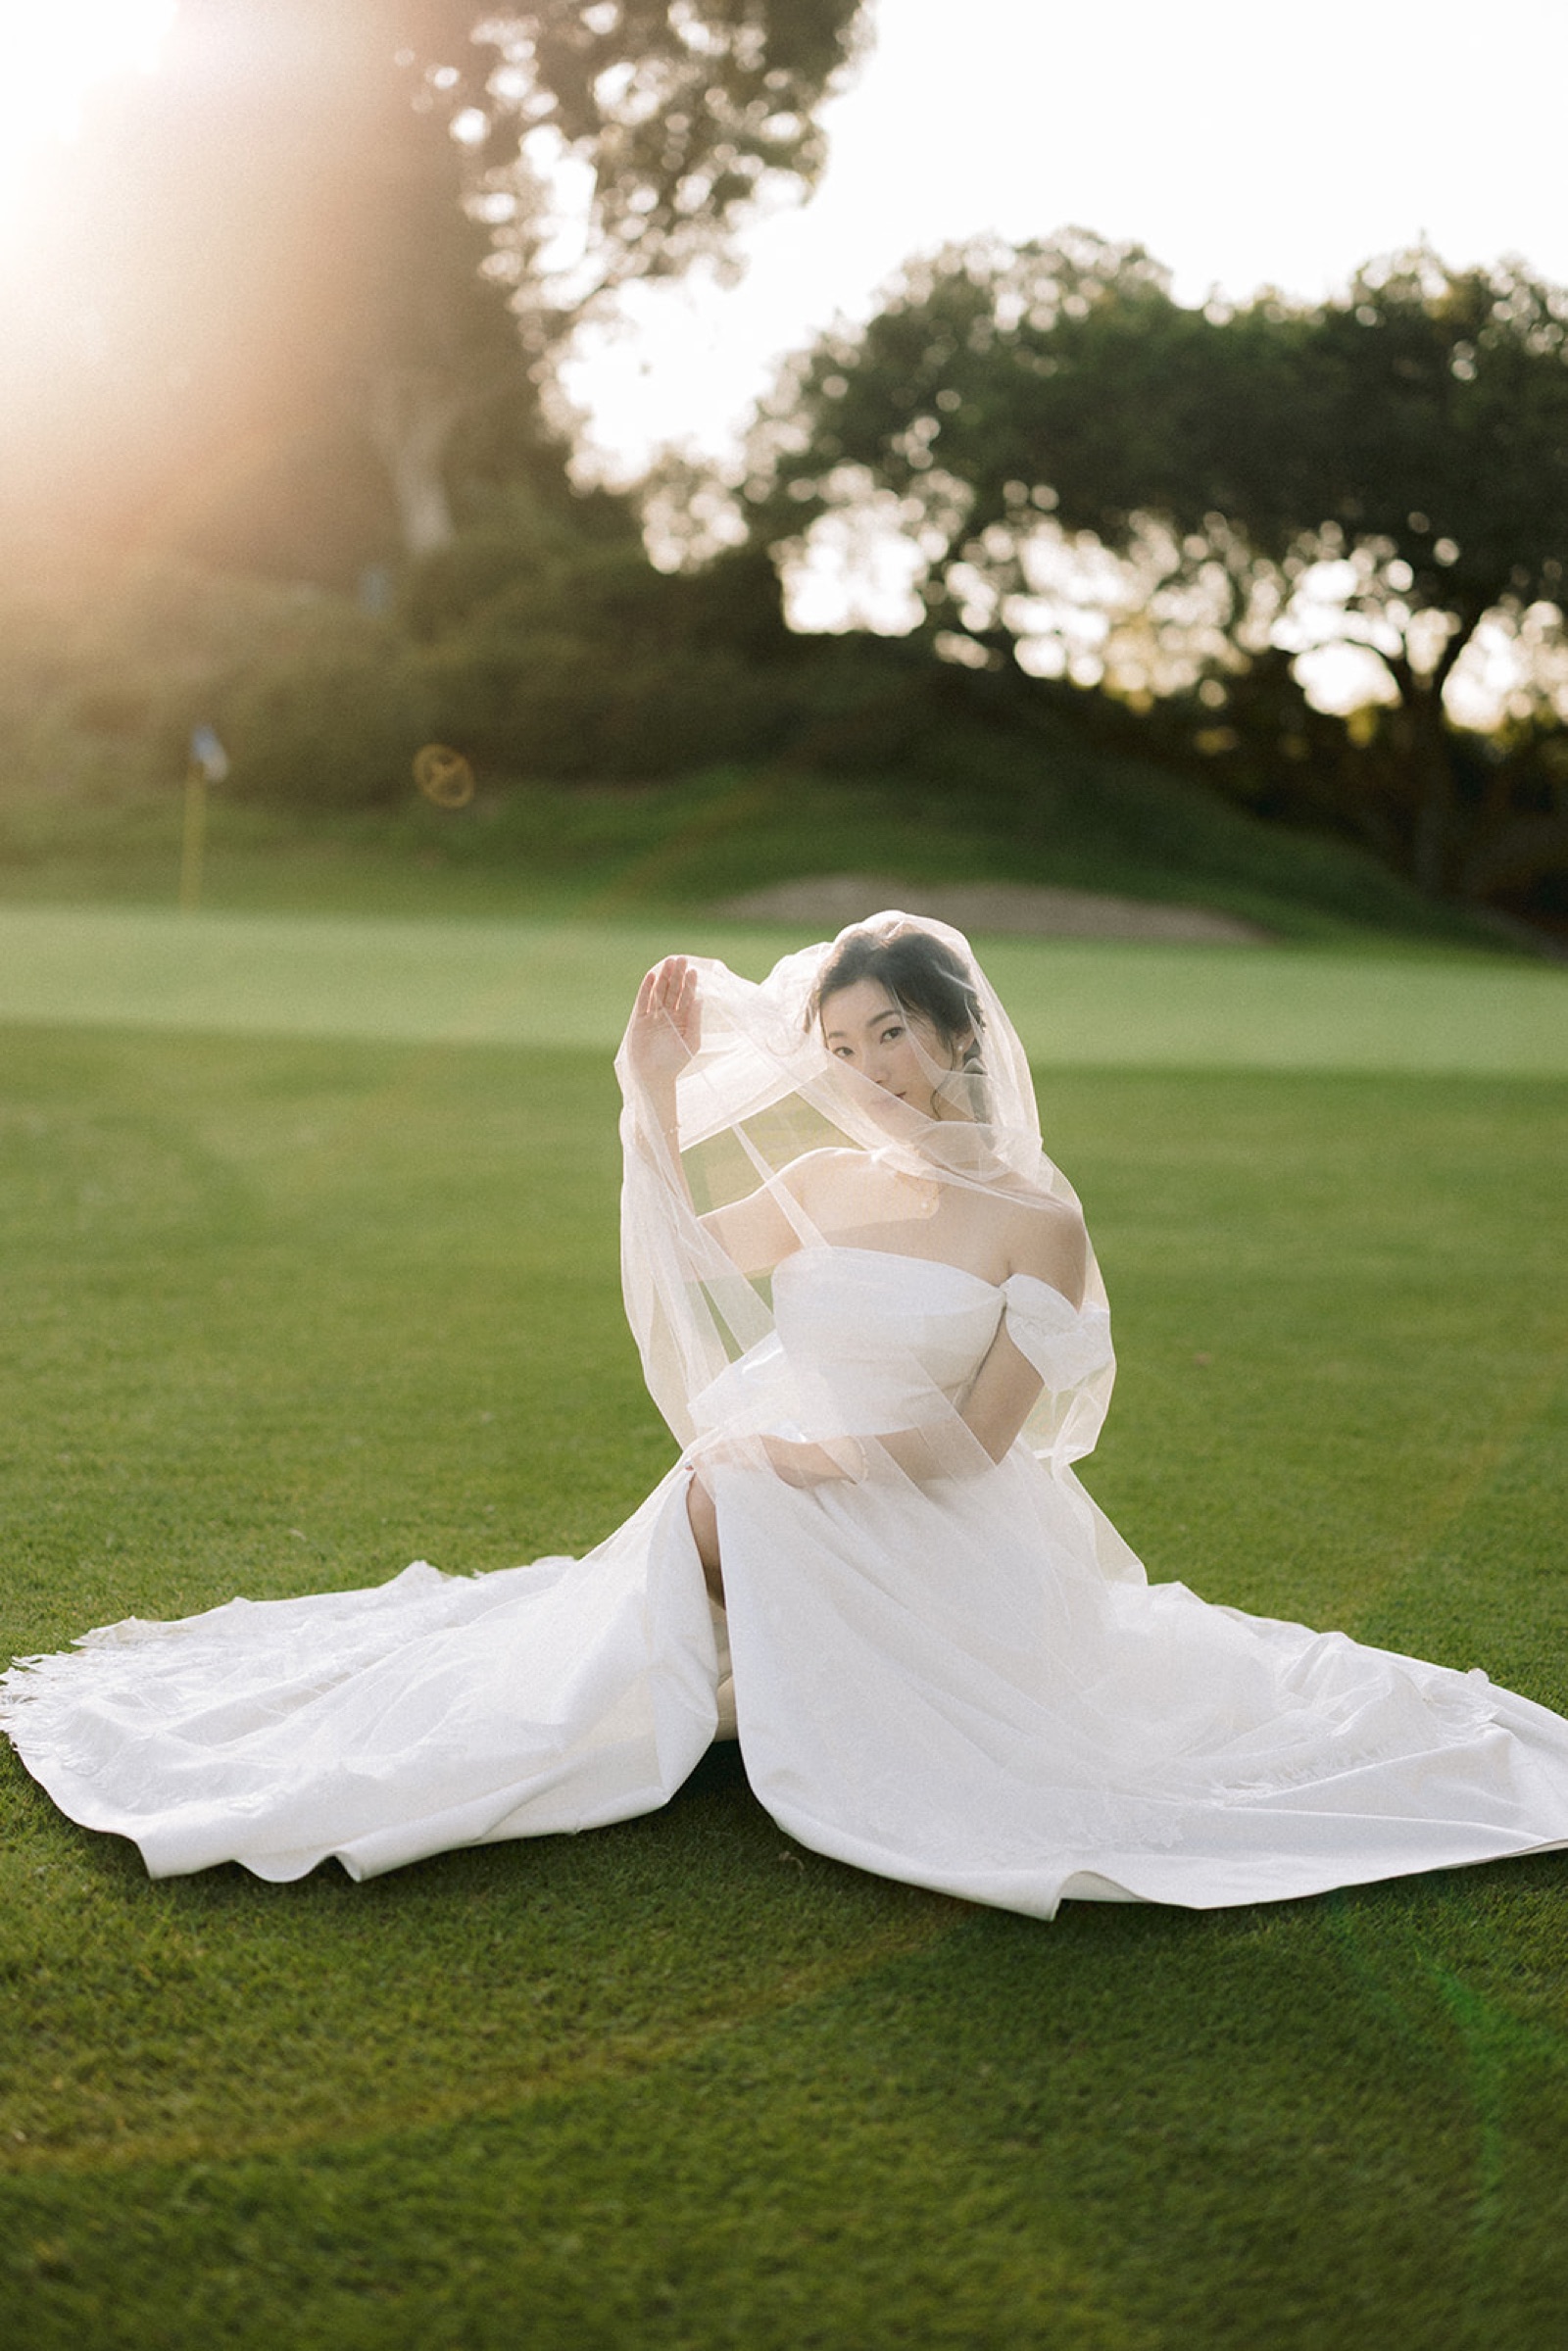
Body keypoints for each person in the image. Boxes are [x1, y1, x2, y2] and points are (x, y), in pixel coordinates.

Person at [4, 912, 1567, 1915]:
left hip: (940, 1513)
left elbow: (976, 1443)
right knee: (712, 1490)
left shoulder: (1037, 1219)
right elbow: (682, 1250)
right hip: (786, 1474)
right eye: (838, 1045)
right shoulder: (819, 1179)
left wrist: (803, 1455)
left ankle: (723, 1674)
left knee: (736, 1481)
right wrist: (647, 1087)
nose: (867, 1068)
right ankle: (679, 1684)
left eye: (890, 1032)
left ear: (958, 1035)